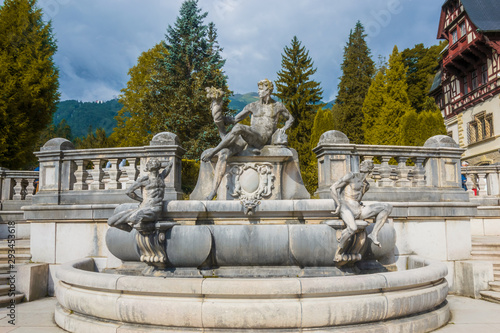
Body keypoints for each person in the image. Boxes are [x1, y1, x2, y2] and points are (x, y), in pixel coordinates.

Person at [200, 79, 294, 200]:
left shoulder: (277, 106)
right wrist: (218, 114)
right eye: (259, 89)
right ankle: (213, 192)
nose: (259, 92)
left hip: (261, 138)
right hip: (249, 136)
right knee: (223, 154)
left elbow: (290, 118)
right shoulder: (252, 106)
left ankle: (213, 151)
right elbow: (234, 120)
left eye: (262, 89)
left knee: (239, 128)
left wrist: (283, 129)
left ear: (269, 90)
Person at [330, 160, 392, 261]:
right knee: (353, 228)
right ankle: (339, 251)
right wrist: (338, 204)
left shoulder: (366, 185)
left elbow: (359, 198)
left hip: (358, 209)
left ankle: (374, 234)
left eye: (366, 166)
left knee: (387, 207)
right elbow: (333, 188)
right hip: (346, 207)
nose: (363, 167)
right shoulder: (351, 176)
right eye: (363, 165)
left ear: (370, 170)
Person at [107, 158, 172, 232]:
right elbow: (129, 192)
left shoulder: (161, 177)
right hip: (143, 208)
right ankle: (129, 229)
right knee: (111, 221)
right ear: (148, 168)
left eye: (155, 163)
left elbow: (170, 165)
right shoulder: (144, 180)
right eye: (152, 163)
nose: (154, 164)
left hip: (154, 210)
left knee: (135, 217)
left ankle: (137, 227)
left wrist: (165, 163)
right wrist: (142, 200)